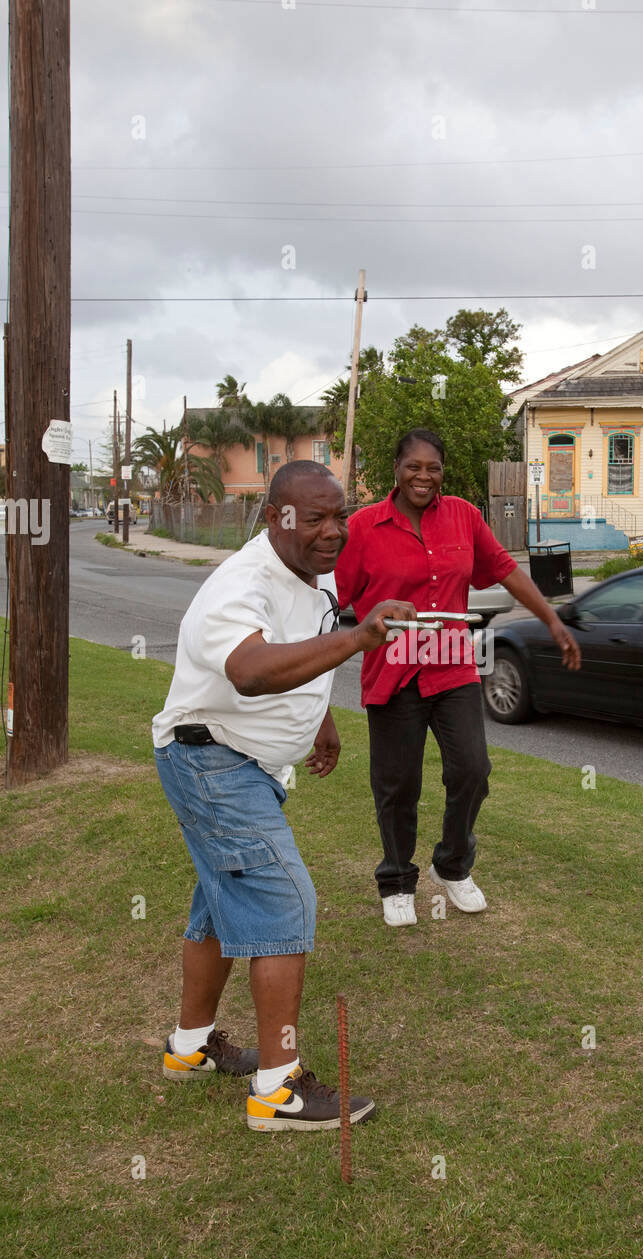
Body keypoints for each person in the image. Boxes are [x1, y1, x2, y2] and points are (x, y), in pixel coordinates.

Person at [152, 460, 415, 1132]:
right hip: (212, 759)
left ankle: (189, 1049)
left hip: (239, 760)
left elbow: (295, 650)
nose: (333, 532)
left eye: (340, 516)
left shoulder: (310, 568)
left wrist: (317, 717)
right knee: (284, 902)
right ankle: (278, 1090)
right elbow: (249, 669)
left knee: (218, 903)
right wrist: (359, 637)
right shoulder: (238, 585)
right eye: (315, 518)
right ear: (275, 517)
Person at [334, 427, 580, 927]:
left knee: (472, 770)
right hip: (393, 668)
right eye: (414, 466)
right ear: (396, 470)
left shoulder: (464, 517)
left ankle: (452, 865)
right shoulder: (363, 527)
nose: (424, 476)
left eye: (433, 468)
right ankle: (397, 879)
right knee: (398, 784)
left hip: (450, 662)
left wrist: (551, 618)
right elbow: (333, 601)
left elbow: (506, 569)